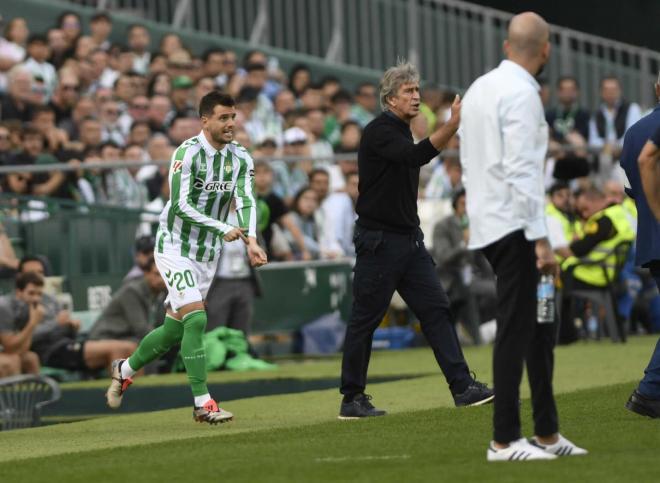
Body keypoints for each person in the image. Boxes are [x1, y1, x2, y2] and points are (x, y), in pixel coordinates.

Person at [460, 12, 586, 461]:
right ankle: (504, 440)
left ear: (506, 45)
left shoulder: (479, 88)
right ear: (546, 48)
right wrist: (541, 240)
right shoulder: (522, 94)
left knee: (539, 324)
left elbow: (473, 161)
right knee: (518, 327)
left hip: (492, 222)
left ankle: (548, 432)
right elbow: (522, 170)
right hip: (516, 225)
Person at [338, 61, 493, 420]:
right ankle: (352, 398)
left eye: (417, 91)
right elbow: (415, 156)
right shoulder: (380, 131)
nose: (416, 96)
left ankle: (462, 387)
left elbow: (412, 155)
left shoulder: (400, 130)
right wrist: (451, 125)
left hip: (408, 239)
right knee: (366, 318)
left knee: (437, 309)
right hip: (380, 241)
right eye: (408, 91)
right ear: (390, 99)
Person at [105, 91, 268, 424]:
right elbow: (180, 205)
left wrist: (251, 239)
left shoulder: (240, 157)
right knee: (196, 318)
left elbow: (247, 200)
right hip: (175, 246)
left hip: (209, 253)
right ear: (204, 120)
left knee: (173, 332)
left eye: (233, 117)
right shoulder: (187, 153)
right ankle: (202, 403)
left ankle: (125, 369)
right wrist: (222, 226)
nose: (230, 124)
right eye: (223, 118)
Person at [620, 76, 660, 417]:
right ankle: (648, 392)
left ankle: (649, 393)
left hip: (648, 235)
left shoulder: (633, 131)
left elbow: (630, 187)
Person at [0, 272, 42, 377]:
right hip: (5, 351)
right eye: (31, 293)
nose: (36, 299)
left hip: (5, 351)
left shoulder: (27, 309)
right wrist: (32, 324)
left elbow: (23, 349)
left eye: (39, 294)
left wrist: (32, 323)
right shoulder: (4, 307)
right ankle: (11, 393)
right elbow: (10, 347)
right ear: (19, 292)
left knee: (31, 358)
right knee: (12, 361)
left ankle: (35, 393)